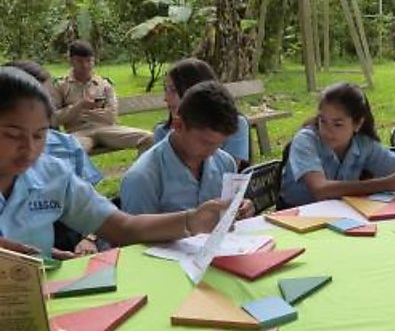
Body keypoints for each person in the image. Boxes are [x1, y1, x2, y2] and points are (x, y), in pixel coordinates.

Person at [0, 67, 226, 258]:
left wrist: (191, 220)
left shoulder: (53, 175)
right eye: (12, 134)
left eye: (39, 135)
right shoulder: (145, 172)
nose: (29, 148)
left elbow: (123, 228)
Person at [3, 60, 104, 256]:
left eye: (45, 98)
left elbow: (94, 207)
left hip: (68, 240)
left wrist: (88, 239)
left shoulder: (67, 146)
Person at [280, 82, 395, 208]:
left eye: (337, 124)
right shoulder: (306, 140)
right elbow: (320, 189)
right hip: (296, 216)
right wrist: (385, 184)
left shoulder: (362, 144)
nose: (327, 130)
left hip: (339, 213)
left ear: (357, 124)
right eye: (322, 121)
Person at [120, 81, 256, 218]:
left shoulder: (225, 163)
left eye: (219, 144)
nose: (213, 152)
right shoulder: (142, 178)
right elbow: (136, 237)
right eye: (205, 142)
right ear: (178, 125)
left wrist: (239, 210)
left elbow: (227, 221)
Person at [49, 40, 153, 154]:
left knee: (148, 138)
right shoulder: (60, 86)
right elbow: (54, 119)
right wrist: (80, 106)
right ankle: (84, 173)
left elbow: (111, 116)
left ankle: (140, 172)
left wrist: (78, 113)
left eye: (89, 61)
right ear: (71, 61)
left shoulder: (104, 84)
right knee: (74, 152)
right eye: (79, 61)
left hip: (107, 130)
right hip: (79, 133)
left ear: (94, 61)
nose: (85, 66)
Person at [156, 58, 250, 169]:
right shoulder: (162, 132)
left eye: (173, 90)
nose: (166, 98)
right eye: (165, 89)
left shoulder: (234, 125)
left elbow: (227, 174)